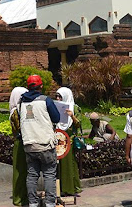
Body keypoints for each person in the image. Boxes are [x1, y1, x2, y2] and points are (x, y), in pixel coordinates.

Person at [19, 75, 60, 207]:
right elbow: (56, 118)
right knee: (49, 175)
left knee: (32, 175)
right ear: (41, 86)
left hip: (29, 144)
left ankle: (32, 203)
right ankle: (49, 203)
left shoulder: (21, 102)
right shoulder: (45, 100)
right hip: (45, 144)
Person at [54, 87, 81, 197]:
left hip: (69, 139)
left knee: (69, 164)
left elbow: (78, 124)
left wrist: (72, 116)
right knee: (58, 165)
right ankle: (59, 188)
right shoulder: (56, 107)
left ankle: (70, 188)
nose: (58, 98)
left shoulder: (75, 108)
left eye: (60, 96)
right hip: (58, 138)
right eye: (57, 96)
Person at [9, 86, 29, 207]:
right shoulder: (16, 112)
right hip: (21, 142)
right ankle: (20, 198)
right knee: (20, 172)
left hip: (22, 142)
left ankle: (23, 196)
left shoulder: (18, 110)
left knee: (23, 171)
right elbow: (21, 128)